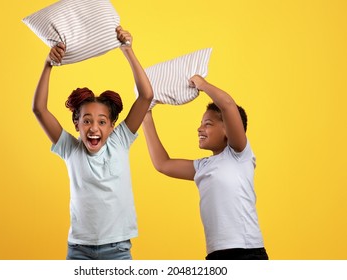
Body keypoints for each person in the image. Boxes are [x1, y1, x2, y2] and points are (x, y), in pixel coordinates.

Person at [32, 26, 153, 260]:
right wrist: (48, 64)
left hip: (117, 250)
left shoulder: (120, 140)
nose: (94, 128)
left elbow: (146, 96)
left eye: (101, 121)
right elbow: (39, 109)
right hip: (79, 250)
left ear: (112, 125)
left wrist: (127, 50)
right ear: (77, 124)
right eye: (87, 121)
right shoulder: (70, 148)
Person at [142, 75, 268, 260]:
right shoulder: (202, 166)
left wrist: (204, 85)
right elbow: (163, 164)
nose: (199, 128)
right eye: (201, 124)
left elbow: (228, 106)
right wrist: (146, 115)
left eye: (207, 124)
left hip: (246, 252)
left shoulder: (239, 154)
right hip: (215, 254)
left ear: (228, 129)